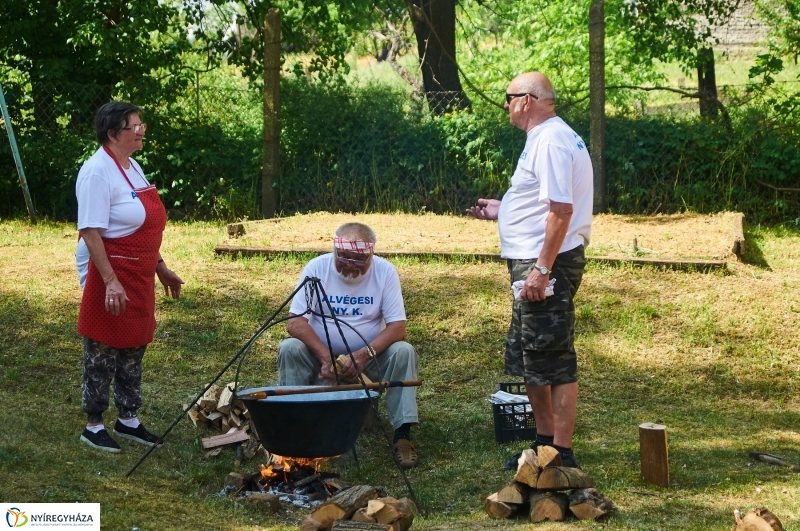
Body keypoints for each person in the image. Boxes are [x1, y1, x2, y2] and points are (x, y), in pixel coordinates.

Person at [466, 72, 593, 469]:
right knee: (532, 356)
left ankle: (562, 453)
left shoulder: (551, 140)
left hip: (545, 264)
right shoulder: (547, 137)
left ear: (528, 99)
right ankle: (542, 446)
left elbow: (561, 210)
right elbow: (544, 203)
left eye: (508, 97)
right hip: (534, 261)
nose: (505, 104)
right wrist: (505, 211)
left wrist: (541, 269)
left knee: (552, 356)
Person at [75, 101, 184, 453]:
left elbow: (143, 227)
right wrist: (109, 281)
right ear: (112, 134)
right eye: (133, 126)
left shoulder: (132, 166)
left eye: (141, 125)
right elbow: (91, 232)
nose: (141, 131)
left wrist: (160, 266)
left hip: (138, 267)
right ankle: (94, 425)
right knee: (104, 343)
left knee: (135, 341)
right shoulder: (96, 172)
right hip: (106, 265)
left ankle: (128, 419)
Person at [278, 222, 420, 468]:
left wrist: (364, 355)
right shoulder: (316, 268)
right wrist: (324, 356)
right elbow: (295, 323)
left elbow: (398, 328)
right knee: (290, 347)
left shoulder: (385, 272)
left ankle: (402, 436)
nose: (350, 266)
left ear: (371, 255)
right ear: (335, 250)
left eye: (358, 260)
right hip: (320, 358)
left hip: (367, 359)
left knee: (403, 352)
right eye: (344, 258)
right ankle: (295, 429)